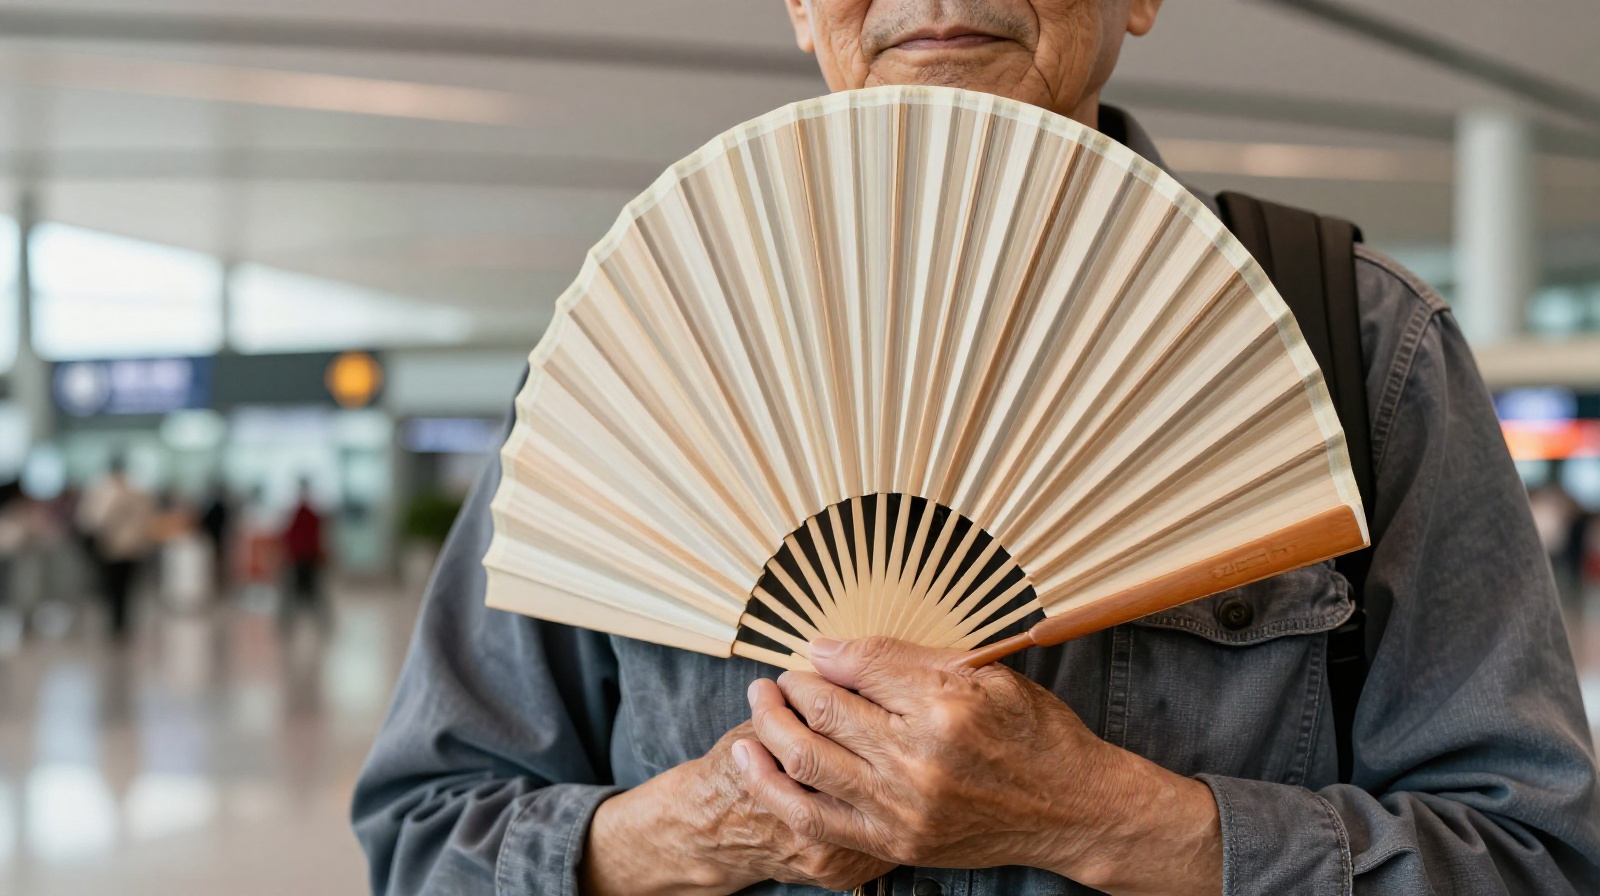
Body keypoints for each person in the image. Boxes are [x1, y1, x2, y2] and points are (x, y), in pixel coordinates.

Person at [352, 2, 1600, 893]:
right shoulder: (633, 341)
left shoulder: (1353, 342)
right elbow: (426, 833)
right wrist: (719, 824)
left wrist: (1110, 819)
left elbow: (1537, 852)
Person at [76, 455, 155, 639]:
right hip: (134, 547)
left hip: (112, 546)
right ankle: (122, 622)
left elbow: (93, 520)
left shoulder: (104, 492)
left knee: (112, 587)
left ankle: (116, 623)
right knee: (127, 587)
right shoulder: (138, 492)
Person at [280, 480, 328, 627]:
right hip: (303, 557)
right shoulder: (305, 514)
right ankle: (289, 620)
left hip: (305, 558)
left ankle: (320, 619)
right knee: (304, 591)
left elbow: (292, 535)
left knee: (310, 591)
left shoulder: (308, 514)